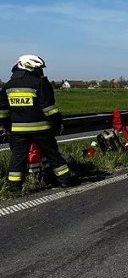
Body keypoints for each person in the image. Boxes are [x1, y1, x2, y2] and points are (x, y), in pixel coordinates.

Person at [0, 54, 77, 192]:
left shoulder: (8, 86)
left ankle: (14, 188)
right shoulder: (39, 83)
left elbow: (3, 112)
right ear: (30, 67)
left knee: (18, 158)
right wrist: (57, 122)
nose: (40, 71)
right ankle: (65, 180)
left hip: (18, 130)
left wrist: (8, 127)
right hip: (41, 128)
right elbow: (50, 109)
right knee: (53, 155)